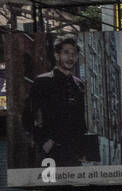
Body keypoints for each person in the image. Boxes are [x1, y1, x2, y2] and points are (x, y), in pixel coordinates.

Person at [25, 36, 87, 168]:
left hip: (75, 152)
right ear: (57, 55)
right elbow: (28, 115)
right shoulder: (42, 81)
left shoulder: (79, 85)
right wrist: (43, 142)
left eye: (74, 54)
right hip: (52, 152)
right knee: (53, 187)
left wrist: (83, 147)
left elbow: (81, 119)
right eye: (66, 53)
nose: (70, 58)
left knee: (75, 188)